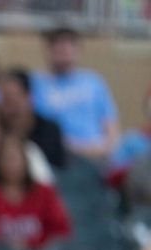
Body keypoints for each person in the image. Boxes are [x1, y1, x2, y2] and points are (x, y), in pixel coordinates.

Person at [30, 27, 119, 163]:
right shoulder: (36, 83)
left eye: (69, 44)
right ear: (47, 50)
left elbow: (110, 124)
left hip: (98, 156)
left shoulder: (93, 81)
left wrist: (107, 148)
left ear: (78, 50)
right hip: (56, 156)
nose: (63, 49)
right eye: (57, 44)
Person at [0, 136, 72, 250]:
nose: (12, 165)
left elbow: (60, 231)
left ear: (25, 160)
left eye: (15, 159)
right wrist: (7, 246)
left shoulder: (45, 193)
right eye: (7, 159)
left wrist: (32, 245)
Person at [0, 69, 66, 170]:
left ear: (29, 97)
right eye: (5, 100)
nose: (11, 107)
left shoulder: (49, 130)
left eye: (14, 99)